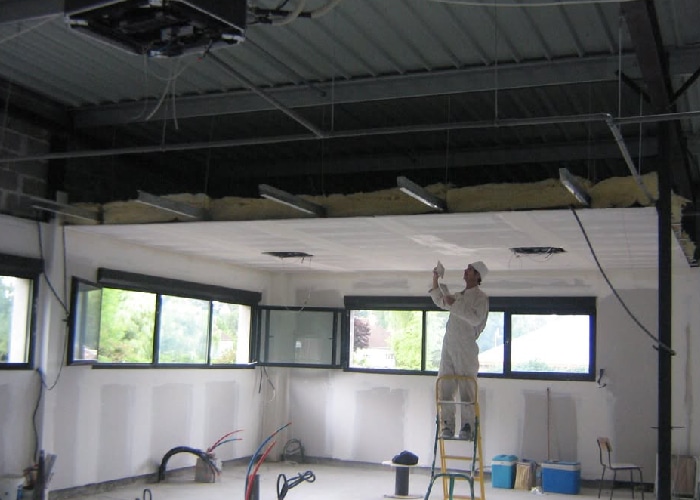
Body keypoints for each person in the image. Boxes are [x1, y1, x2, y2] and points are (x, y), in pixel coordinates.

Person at [429, 261, 490, 440]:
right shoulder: (460, 296)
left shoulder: (481, 298)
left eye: (470, 270)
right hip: (449, 344)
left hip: (466, 346)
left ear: (478, 276)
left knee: (466, 388)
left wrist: (454, 304)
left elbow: (475, 319)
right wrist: (435, 279)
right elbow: (440, 301)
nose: (466, 271)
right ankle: (447, 425)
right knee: (445, 385)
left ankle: (467, 426)